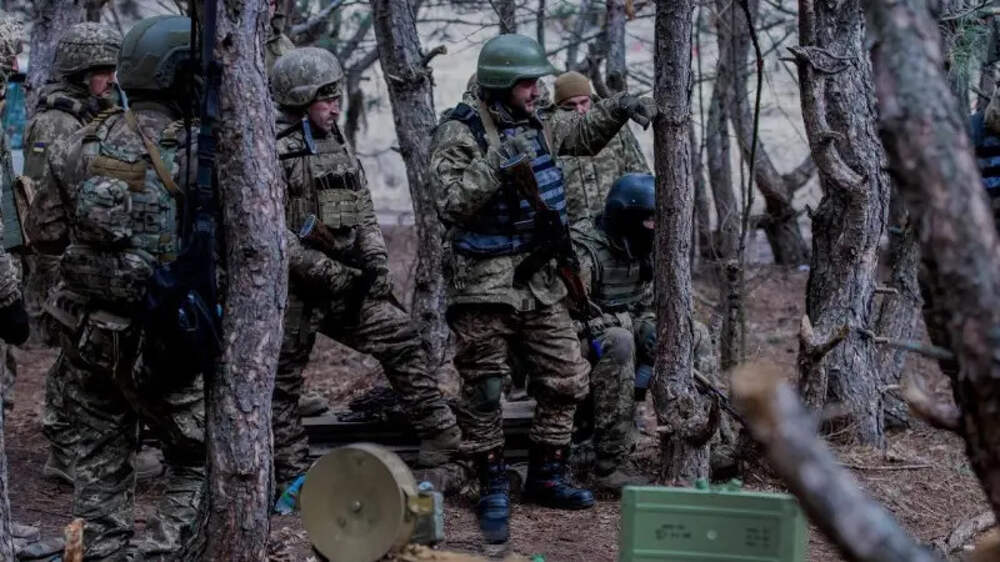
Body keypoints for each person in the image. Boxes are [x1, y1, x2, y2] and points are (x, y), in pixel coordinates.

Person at [429, 33, 657, 543]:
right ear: (502, 84)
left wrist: (622, 105)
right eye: (528, 83)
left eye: (538, 83)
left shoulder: (537, 122)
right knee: (485, 389)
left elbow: (583, 133)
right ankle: (491, 481)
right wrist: (495, 164)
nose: (538, 91)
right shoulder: (459, 131)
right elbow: (450, 202)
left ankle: (546, 473)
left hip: (540, 281)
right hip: (484, 283)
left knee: (568, 378)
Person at [25, 15, 207, 559]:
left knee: (99, 460)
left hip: (88, 335)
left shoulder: (81, 142)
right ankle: (162, 552)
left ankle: (104, 551)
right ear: (181, 75)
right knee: (200, 457)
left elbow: (44, 234)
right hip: (170, 339)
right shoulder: (202, 153)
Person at [269, 47, 462, 492]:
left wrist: (374, 262)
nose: (335, 107)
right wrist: (331, 274)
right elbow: (273, 237)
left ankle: (440, 434)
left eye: (337, 97)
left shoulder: (337, 144)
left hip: (348, 283)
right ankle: (293, 476)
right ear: (300, 100)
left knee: (400, 335)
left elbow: (365, 214)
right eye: (326, 99)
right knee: (281, 383)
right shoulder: (271, 152)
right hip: (294, 291)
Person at [19, 22, 169, 487]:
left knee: (85, 355)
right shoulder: (55, 123)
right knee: (77, 357)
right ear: (81, 73)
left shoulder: (96, 115)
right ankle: (67, 449)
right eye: (103, 72)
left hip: (88, 254)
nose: (111, 80)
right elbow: (40, 199)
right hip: (63, 257)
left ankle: (80, 446)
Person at [552, 71, 649, 231]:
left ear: (591, 99)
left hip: (618, 229)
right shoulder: (554, 137)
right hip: (575, 234)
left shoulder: (617, 130)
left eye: (584, 102)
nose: (579, 110)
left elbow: (639, 174)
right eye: (570, 106)